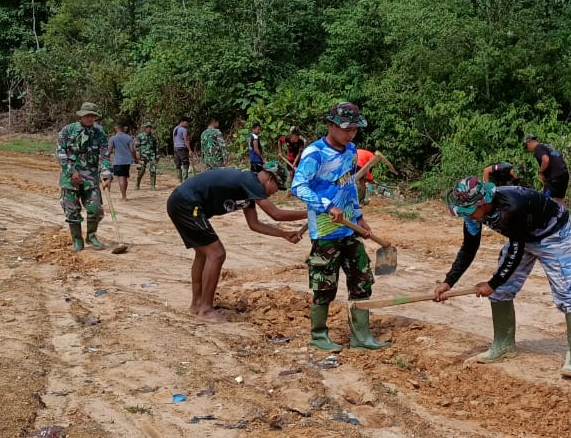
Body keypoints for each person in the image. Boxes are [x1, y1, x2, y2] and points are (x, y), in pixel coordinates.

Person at [433, 176, 571, 377]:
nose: (468, 216)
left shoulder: (513, 206)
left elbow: (516, 249)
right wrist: (449, 282)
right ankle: (504, 344)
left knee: (567, 293)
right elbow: (469, 248)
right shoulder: (473, 215)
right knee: (501, 291)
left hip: (553, 235)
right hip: (522, 237)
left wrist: (492, 283)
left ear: (483, 202)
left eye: (470, 211)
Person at [291, 102, 387, 352]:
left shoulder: (351, 151)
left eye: (354, 129)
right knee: (325, 284)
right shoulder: (315, 153)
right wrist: (325, 204)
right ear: (331, 125)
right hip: (324, 231)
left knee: (362, 278)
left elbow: (349, 186)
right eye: (346, 129)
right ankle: (319, 335)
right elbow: (299, 186)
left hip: (348, 228)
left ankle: (361, 335)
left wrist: (358, 215)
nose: (350, 134)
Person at [166, 161, 306, 323]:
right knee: (217, 254)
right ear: (270, 179)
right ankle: (205, 309)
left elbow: (254, 224)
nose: (274, 193)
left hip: (183, 202)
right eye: (277, 188)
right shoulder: (251, 182)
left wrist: (284, 234)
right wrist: (309, 213)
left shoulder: (248, 189)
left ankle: (197, 304)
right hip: (186, 203)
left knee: (203, 253)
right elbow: (276, 214)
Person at [56, 103, 108, 251]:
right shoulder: (68, 130)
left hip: (90, 176)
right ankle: (77, 240)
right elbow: (60, 153)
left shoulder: (99, 132)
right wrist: (71, 171)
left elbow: (104, 154)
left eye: (92, 115)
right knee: (72, 210)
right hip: (70, 177)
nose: (90, 118)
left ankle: (91, 236)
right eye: (87, 115)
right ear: (81, 116)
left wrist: (106, 173)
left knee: (95, 208)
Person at [523, 134, 569, 201]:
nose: (527, 148)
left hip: (554, 177)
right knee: (559, 200)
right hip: (564, 175)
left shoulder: (538, 148)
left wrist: (541, 172)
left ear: (529, 143)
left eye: (526, 146)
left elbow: (546, 160)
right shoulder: (547, 147)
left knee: (545, 200)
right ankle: (563, 211)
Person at [108, 123, 136, 200]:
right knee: (125, 177)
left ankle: (124, 196)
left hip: (118, 160)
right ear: (123, 128)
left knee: (121, 178)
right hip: (127, 161)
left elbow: (109, 151)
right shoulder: (128, 137)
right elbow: (132, 150)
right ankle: (124, 194)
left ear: (116, 127)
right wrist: (136, 159)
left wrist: (106, 159)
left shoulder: (113, 138)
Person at [135, 121, 159, 191]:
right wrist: (137, 156)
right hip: (143, 155)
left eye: (150, 127)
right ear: (144, 128)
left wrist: (157, 156)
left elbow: (156, 147)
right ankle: (137, 183)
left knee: (153, 170)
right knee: (141, 170)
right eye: (147, 127)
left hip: (152, 155)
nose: (149, 129)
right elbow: (137, 147)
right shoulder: (140, 136)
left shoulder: (153, 137)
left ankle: (152, 185)